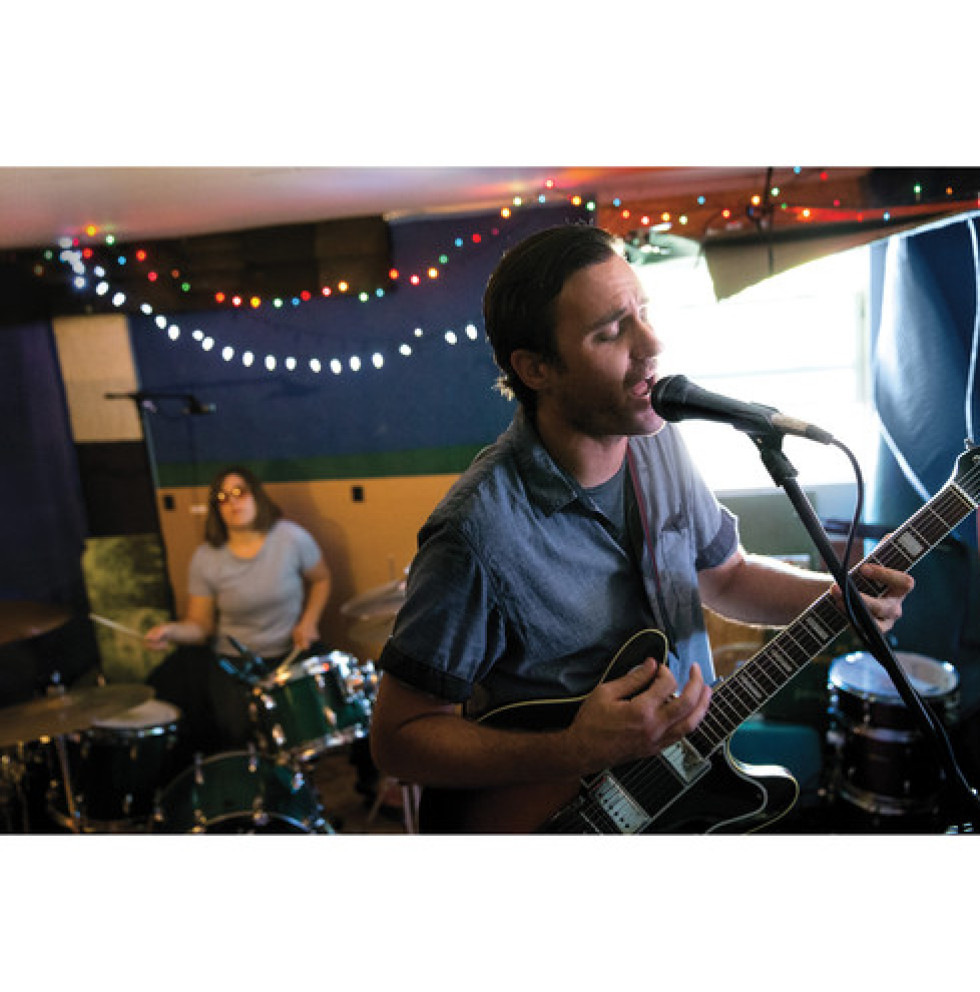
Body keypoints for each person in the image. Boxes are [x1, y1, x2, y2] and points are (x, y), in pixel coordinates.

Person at [368, 223, 914, 833]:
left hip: (686, 790)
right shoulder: (475, 533)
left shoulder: (658, 441)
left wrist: (837, 599)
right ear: (536, 368)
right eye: (610, 332)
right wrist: (573, 749)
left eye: (644, 313)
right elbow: (397, 740)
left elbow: (725, 576)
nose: (652, 343)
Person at [145, 466, 331, 758]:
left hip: (289, 652)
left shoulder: (291, 538)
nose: (232, 502)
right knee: (237, 735)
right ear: (216, 509)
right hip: (234, 664)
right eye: (222, 498)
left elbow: (321, 579)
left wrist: (309, 621)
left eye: (239, 492)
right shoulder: (206, 558)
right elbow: (200, 626)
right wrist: (170, 631)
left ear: (256, 496)